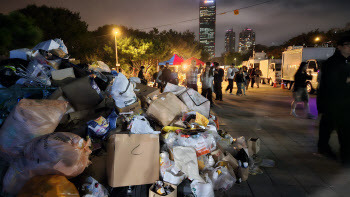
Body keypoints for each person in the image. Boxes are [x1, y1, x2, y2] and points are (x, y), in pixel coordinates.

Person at [317, 33, 350, 164]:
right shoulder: (331, 63)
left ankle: (345, 154)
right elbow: (331, 82)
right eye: (348, 45)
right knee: (328, 128)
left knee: (344, 129)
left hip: (345, 103)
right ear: (339, 47)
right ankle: (324, 148)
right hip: (331, 102)